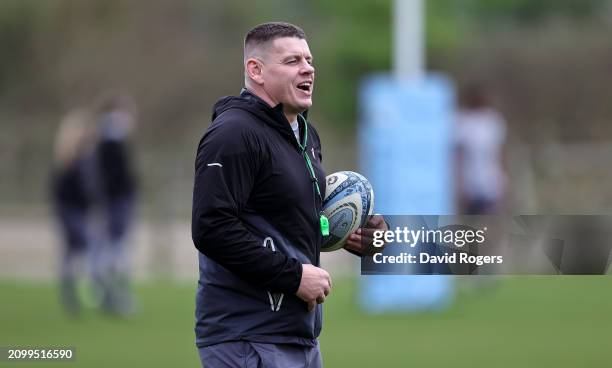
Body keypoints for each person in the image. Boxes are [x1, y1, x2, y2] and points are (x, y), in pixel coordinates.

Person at [192, 22, 387, 367]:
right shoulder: (233, 134)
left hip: (298, 335)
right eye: (292, 60)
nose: (308, 68)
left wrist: (358, 233)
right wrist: (294, 276)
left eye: (309, 60)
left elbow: (291, 222)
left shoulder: (306, 136)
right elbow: (212, 227)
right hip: (246, 337)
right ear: (256, 70)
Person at [91, 92, 138, 316]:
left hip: (113, 201)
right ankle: (111, 295)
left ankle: (109, 294)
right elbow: (116, 176)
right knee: (115, 250)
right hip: (116, 202)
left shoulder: (105, 142)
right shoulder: (111, 142)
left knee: (113, 249)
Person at [51, 108, 97, 315]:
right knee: (81, 249)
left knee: (72, 253)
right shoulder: (68, 161)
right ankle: (81, 291)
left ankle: (71, 294)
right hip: (71, 212)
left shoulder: (85, 158)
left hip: (80, 210)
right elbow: (63, 191)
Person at [454, 83, 507, 215]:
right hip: (469, 184)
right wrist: (459, 184)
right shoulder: (462, 121)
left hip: (490, 183)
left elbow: (500, 152)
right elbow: (458, 155)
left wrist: (503, 179)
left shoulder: (492, 120)